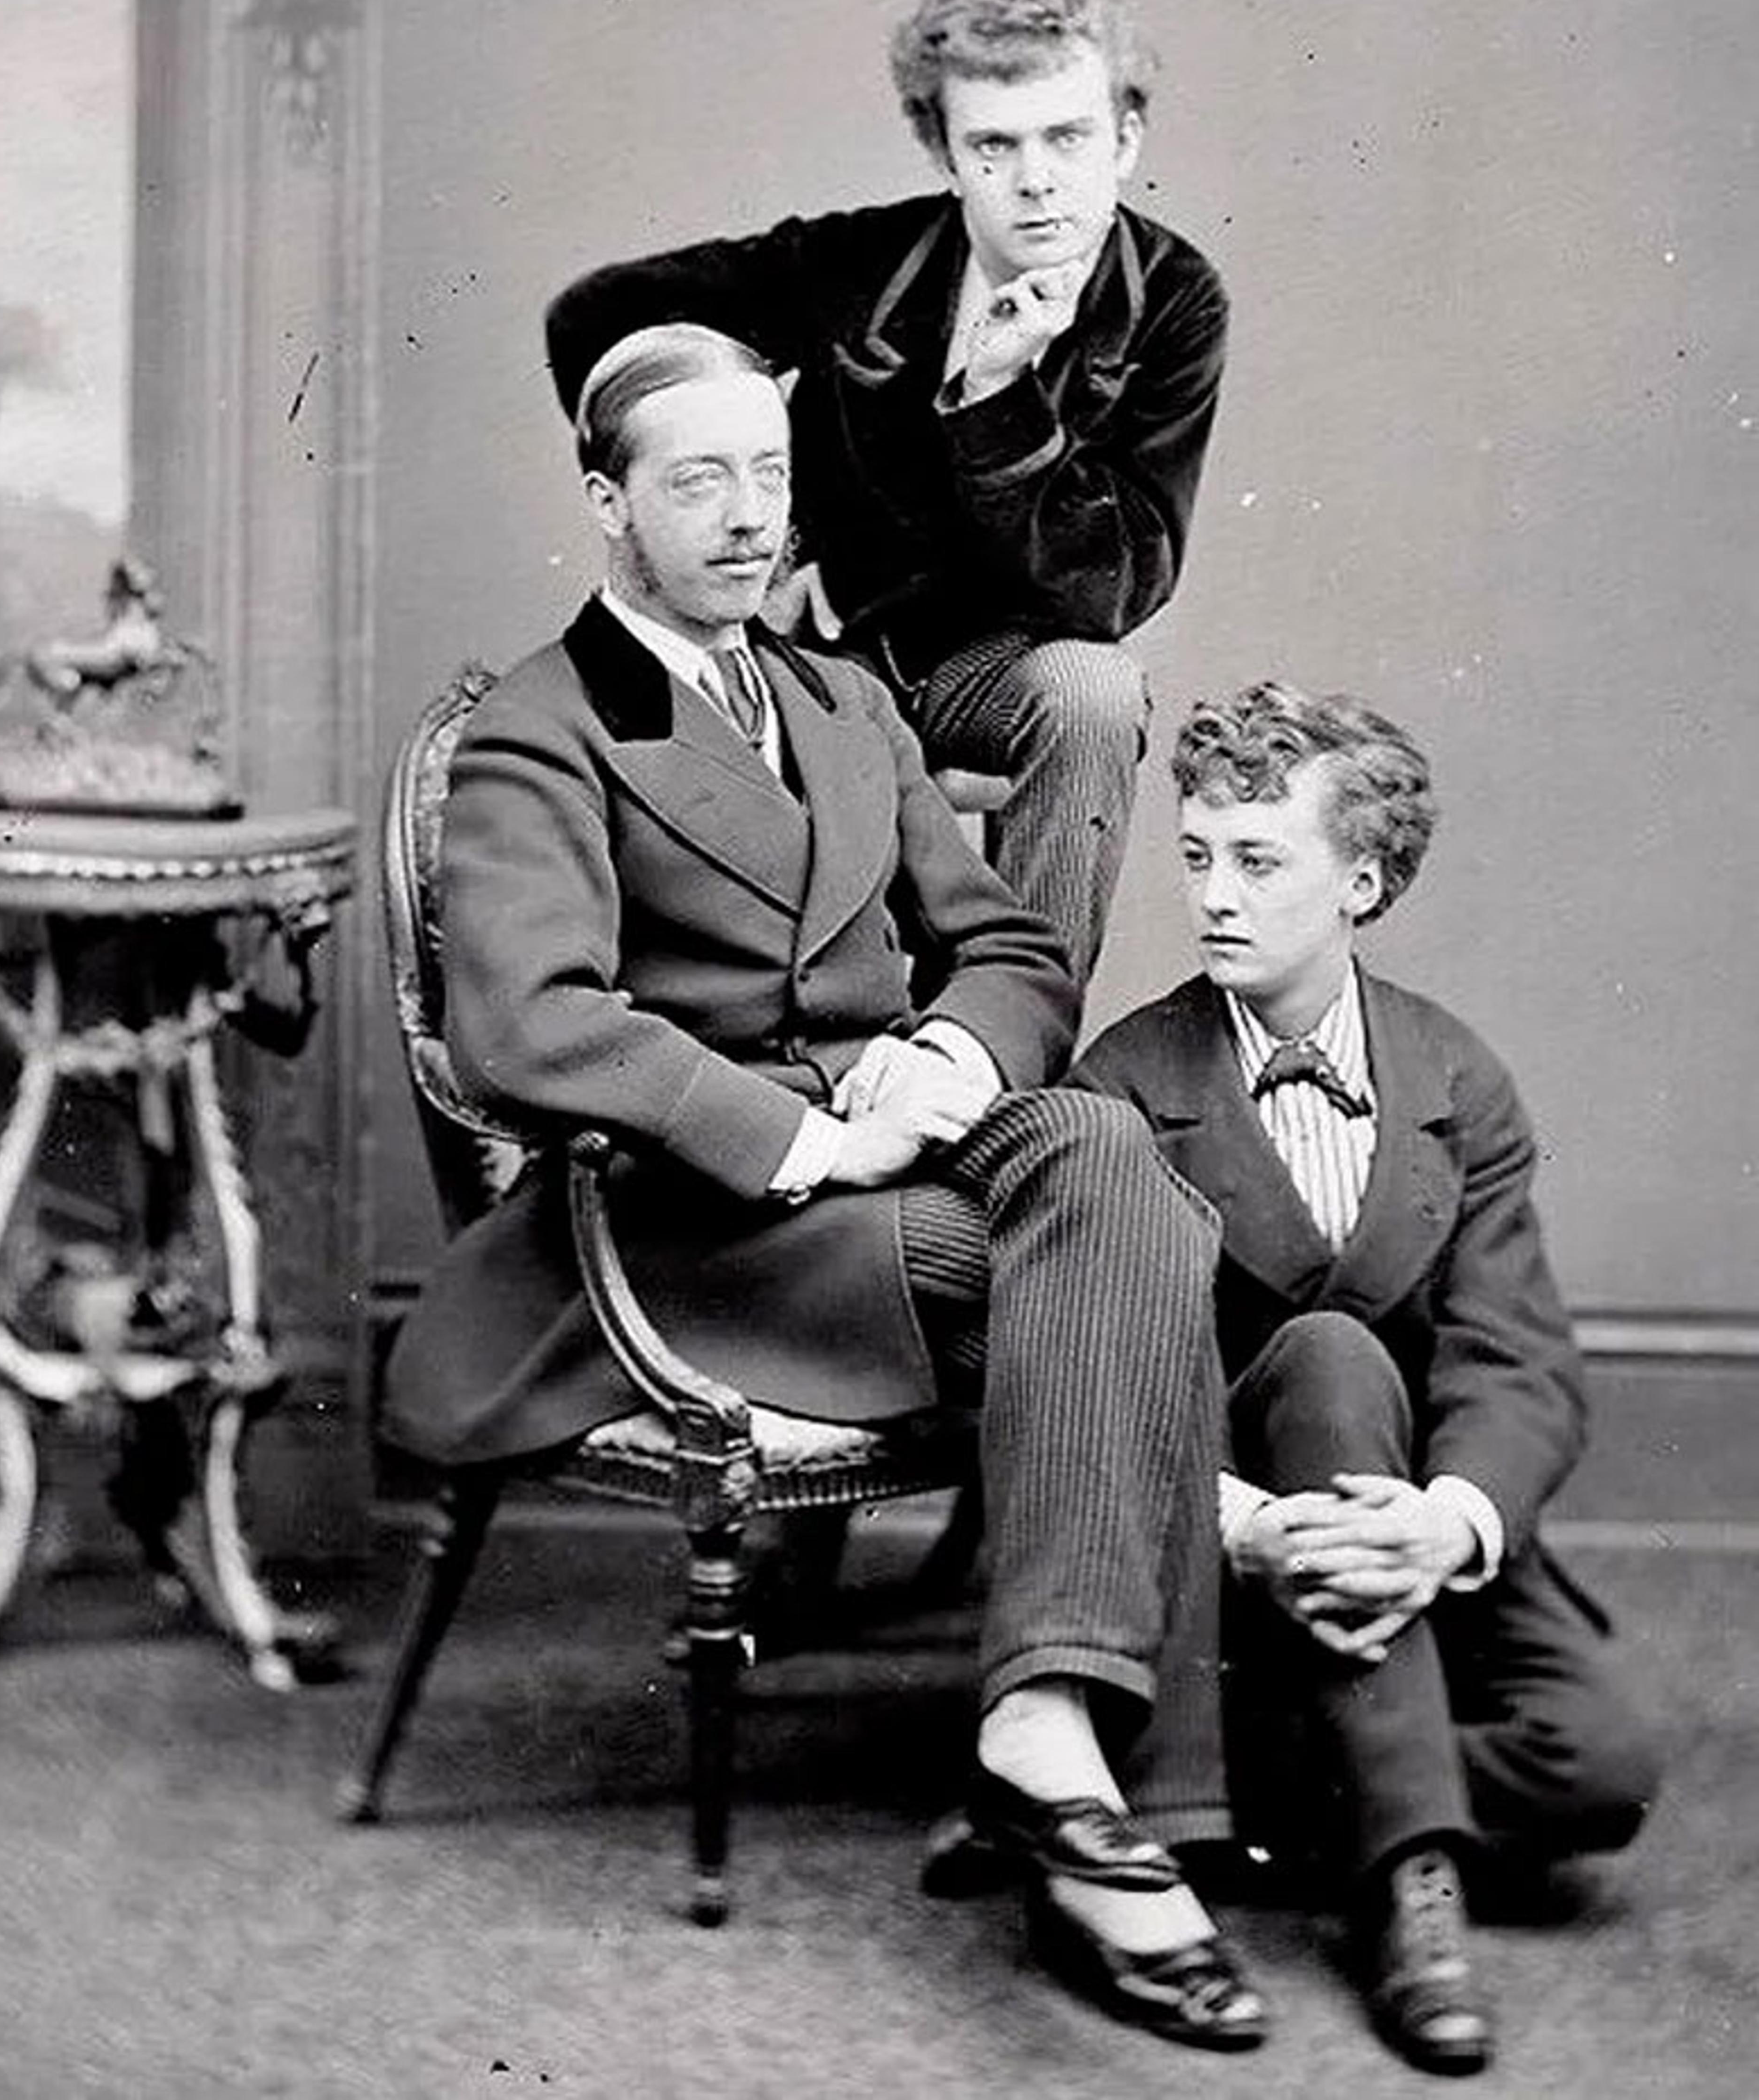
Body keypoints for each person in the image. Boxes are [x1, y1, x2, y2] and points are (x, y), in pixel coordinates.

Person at [383, 323, 1267, 2051]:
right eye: (695, 478)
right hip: (703, 1215)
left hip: (895, 1142)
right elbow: (528, 1020)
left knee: (1106, 1154)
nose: (741, 516)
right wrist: (807, 1138)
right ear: (606, 501)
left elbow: (1005, 943)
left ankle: (1049, 1739)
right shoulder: (543, 731)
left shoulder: (841, 698)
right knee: (1138, 1253)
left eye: (766, 476)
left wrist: (943, 1061)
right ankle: (1117, 1816)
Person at [1072, 682, 1661, 2075]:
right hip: (1219, 1559)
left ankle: (1193, 1801)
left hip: (1401, 1534)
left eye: (1258, 860)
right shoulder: (1121, 1080)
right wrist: (1250, 1525)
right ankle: (1411, 1891)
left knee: (1604, 1766)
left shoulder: (1458, 1073)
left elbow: (1513, 1349)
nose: (1214, 894)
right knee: (1329, 1353)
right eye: (1199, 855)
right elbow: (1098, 1380)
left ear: (1365, 880)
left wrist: (1443, 1522)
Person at [542, 0, 1229, 987]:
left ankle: (1017, 1042)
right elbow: (595, 315)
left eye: (1068, 137)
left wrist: (999, 401)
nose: (1037, 179)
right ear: (942, 150)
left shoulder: (1173, 299)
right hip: (821, 664)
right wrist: (738, 484)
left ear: (1126, 139)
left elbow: (1114, 588)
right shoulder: (862, 263)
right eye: (993, 146)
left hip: (997, 675)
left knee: (1095, 691)